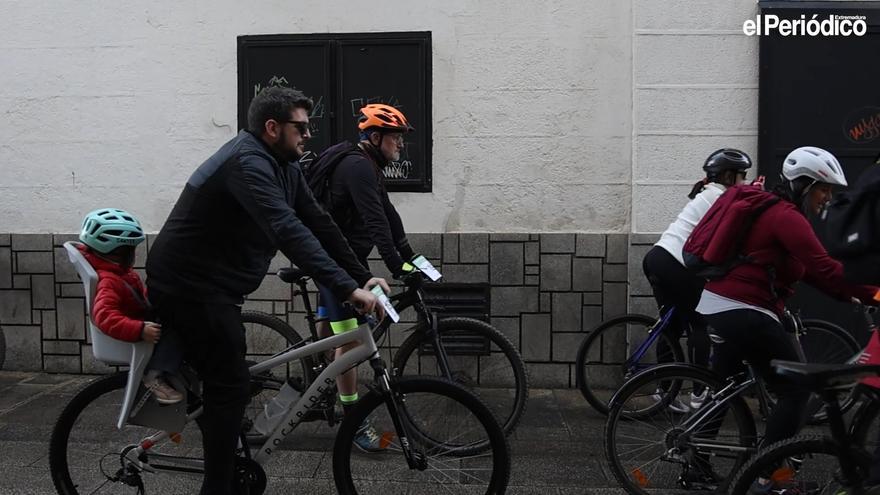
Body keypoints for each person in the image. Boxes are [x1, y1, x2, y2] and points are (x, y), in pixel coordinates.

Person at [145, 86, 387, 495]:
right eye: (301, 127)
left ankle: (212, 424)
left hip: (215, 285)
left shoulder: (284, 163)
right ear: (272, 127)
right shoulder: (248, 162)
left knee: (225, 384)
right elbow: (286, 229)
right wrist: (346, 289)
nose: (308, 135)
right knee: (231, 386)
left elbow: (319, 224)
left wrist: (360, 276)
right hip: (188, 285)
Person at [691, 146, 880, 494]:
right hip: (745, 309)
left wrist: (849, 294)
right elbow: (824, 266)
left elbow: (809, 272)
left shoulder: (775, 212)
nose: (827, 198)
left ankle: (694, 464)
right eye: (824, 189)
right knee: (795, 392)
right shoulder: (785, 217)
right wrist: (874, 292)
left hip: (723, 305)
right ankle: (765, 478)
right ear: (804, 185)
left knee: (723, 389)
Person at [309, 103, 419, 451]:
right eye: (396, 138)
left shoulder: (367, 165)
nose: (400, 145)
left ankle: (319, 381)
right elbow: (376, 223)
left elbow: (389, 216)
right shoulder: (358, 168)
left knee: (332, 337)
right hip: (336, 266)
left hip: (340, 261)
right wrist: (396, 265)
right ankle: (354, 421)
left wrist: (411, 257)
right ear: (376, 137)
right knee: (353, 342)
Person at [644, 148, 752, 412]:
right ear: (729, 176)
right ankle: (700, 394)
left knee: (673, 325)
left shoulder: (709, 193)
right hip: (675, 264)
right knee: (699, 323)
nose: (746, 182)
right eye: (742, 176)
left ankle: (663, 391)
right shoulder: (722, 199)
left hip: (657, 258)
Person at [79, 208, 183, 404]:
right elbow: (104, 316)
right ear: (117, 252)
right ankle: (155, 376)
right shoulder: (109, 280)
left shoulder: (119, 272)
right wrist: (139, 330)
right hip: (140, 327)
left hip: (144, 316)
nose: (133, 255)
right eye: (129, 251)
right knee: (176, 331)